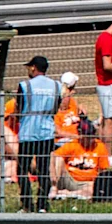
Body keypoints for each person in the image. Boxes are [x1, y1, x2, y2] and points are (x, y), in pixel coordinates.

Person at [8, 57, 70, 211]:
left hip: (28, 132)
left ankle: (27, 204)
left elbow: (19, 108)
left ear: (34, 68)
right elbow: (56, 109)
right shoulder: (56, 86)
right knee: (44, 169)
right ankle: (42, 204)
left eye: (29, 67)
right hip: (47, 133)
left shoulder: (25, 85)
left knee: (22, 170)